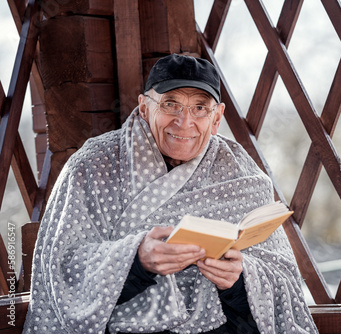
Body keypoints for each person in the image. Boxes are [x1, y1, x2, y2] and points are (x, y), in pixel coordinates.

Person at [22, 54, 318, 333]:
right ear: (144, 106)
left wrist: (239, 280)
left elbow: (282, 281)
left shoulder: (239, 170)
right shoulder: (94, 164)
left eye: (200, 108)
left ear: (216, 118)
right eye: (170, 104)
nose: (184, 122)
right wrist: (136, 259)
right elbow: (61, 266)